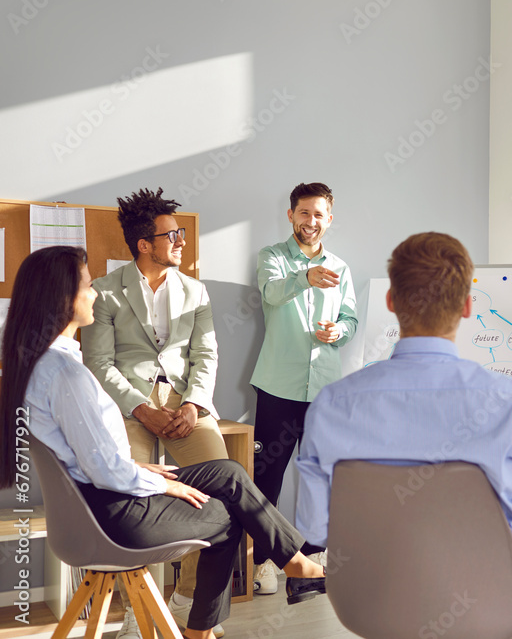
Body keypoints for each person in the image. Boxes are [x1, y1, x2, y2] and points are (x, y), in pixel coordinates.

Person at [0, 247, 326, 639]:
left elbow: (82, 459)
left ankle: (292, 564)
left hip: (94, 502)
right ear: (61, 296)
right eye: (87, 285)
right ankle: (268, 585)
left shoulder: (40, 365)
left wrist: (141, 469)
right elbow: (104, 470)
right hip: (113, 517)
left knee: (229, 472)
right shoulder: (68, 375)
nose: (96, 293)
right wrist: (163, 483)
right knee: (230, 514)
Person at [295, 232, 512, 639]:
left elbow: (314, 528)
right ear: (467, 306)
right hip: (488, 604)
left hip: (372, 603)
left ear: (391, 302)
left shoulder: (331, 406)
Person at [80, 188, 228, 637]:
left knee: (223, 489)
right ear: (145, 244)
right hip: (129, 408)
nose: (182, 241)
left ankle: (187, 599)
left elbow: (206, 354)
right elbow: (99, 364)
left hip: (187, 406)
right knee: (129, 500)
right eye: (172, 235)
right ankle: (134, 612)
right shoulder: (105, 292)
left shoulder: (196, 290)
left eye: (181, 233)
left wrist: (193, 403)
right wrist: (142, 409)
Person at [249, 182, 357, 592]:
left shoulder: (342, 268)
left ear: (329, 219)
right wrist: (306, 277)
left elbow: (351, 319)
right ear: (290, 215)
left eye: (318, 214)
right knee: (266, 479)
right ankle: (265, 563)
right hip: (278, 386)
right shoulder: (272, 258)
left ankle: (314, 559)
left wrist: (339, 332)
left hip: (325, 390)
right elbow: (273, 294)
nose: (311, 222)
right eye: (304, 213)